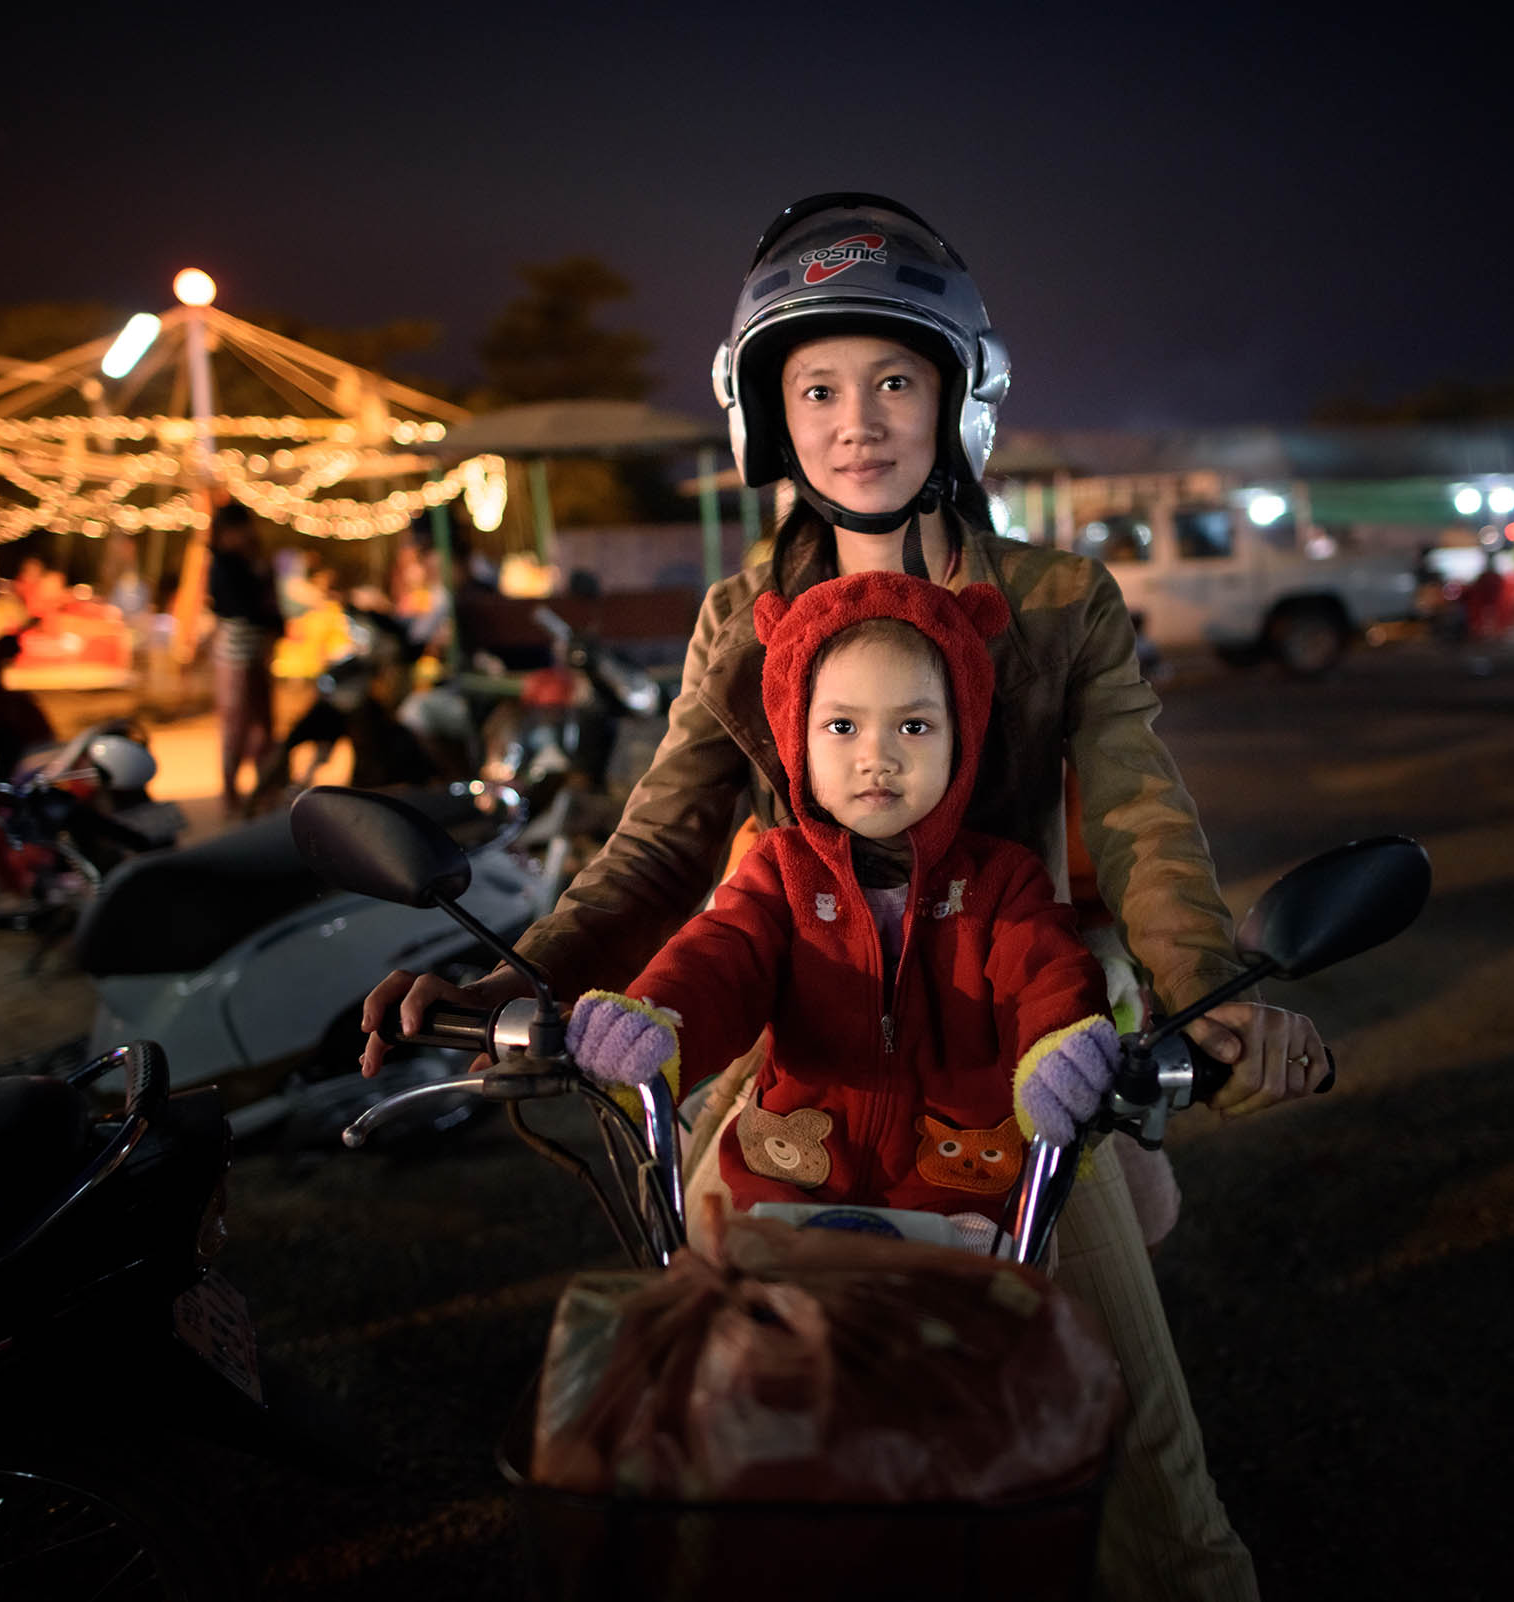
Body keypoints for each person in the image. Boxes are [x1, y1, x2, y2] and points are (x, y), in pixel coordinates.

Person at [362, 193, 1323, 1599]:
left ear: (957, 397)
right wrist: (525, 977)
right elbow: (662, 842)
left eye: (892, 378)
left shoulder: (1057, 598)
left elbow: (1137, 820)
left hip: (1029, 1057)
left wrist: (1204, 994)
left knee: (1144, 1478)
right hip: (797, 1044)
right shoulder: (736, 616)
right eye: (816, 386)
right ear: (771, 416)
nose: (855, 418)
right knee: (681, 1409)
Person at [565, 568, 1119, 1248]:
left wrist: (1061, 1050)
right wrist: (655, 1026)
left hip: (962, 1210)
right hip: (787, 1197)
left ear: (963, 740)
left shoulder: (1004, 880)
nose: (876, 757)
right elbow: (718, 959)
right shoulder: (778, 870)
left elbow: (1048, 973)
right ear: (798, 739)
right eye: (841, 725)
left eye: (914, 725)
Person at [204, 501, 283, 818]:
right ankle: (231, 793)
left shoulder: (256, 560)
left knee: (263, 723)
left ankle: (264, 791)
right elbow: (236, 606)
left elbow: (272, 607)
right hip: (236, 649)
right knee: (236, 723)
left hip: (258, 648)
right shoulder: (222, 564)